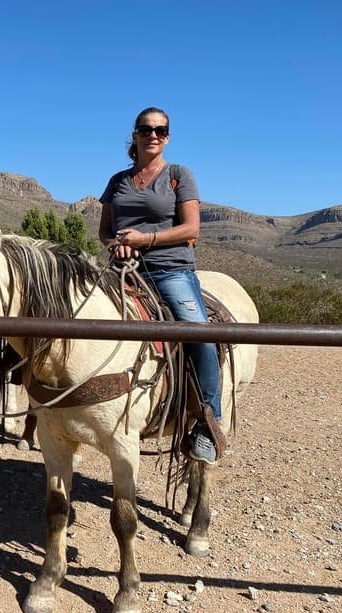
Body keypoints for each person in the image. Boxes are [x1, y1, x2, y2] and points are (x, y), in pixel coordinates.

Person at [98, 106, 221, 464]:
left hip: (170, 270)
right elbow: (105, 231)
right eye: (146, 129)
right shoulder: (117, 180)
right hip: (122, 268)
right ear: (134, 135)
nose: (154, 135)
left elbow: (191, 229)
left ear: (167, 136)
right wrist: (116, 244)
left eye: (161, 130)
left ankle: (208, 421)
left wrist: (143, 239)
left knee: (199, 332)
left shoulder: (179, 175)